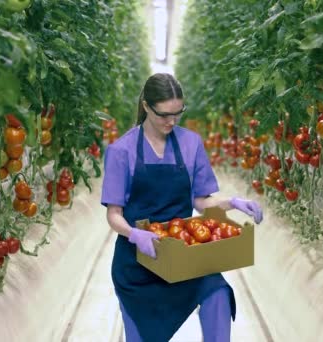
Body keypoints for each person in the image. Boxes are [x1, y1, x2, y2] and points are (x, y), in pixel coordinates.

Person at [101, 73, 263, 342]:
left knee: (217, 291)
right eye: (164, 114)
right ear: (146, 106)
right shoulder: (122, 150)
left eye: (178, 113)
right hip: (137, 266)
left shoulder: (190, 143)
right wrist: (134, 234)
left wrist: (232, 202)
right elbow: (113, 214)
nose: (171, 121)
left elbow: (201, 200)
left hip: (182, 256)